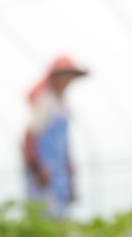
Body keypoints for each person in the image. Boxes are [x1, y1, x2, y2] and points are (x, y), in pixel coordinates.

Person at [23, 56, 89, 219]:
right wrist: (37, 169)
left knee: (61, 213)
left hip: (60, 172)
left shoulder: (63, 104)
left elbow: (65, 145)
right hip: (44, 171)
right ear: (56, 77)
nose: (67, 81)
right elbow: (29, 136)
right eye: (65, 76)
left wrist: (71, 175)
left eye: (70, 77)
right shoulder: (45, 101)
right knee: (44, 214)